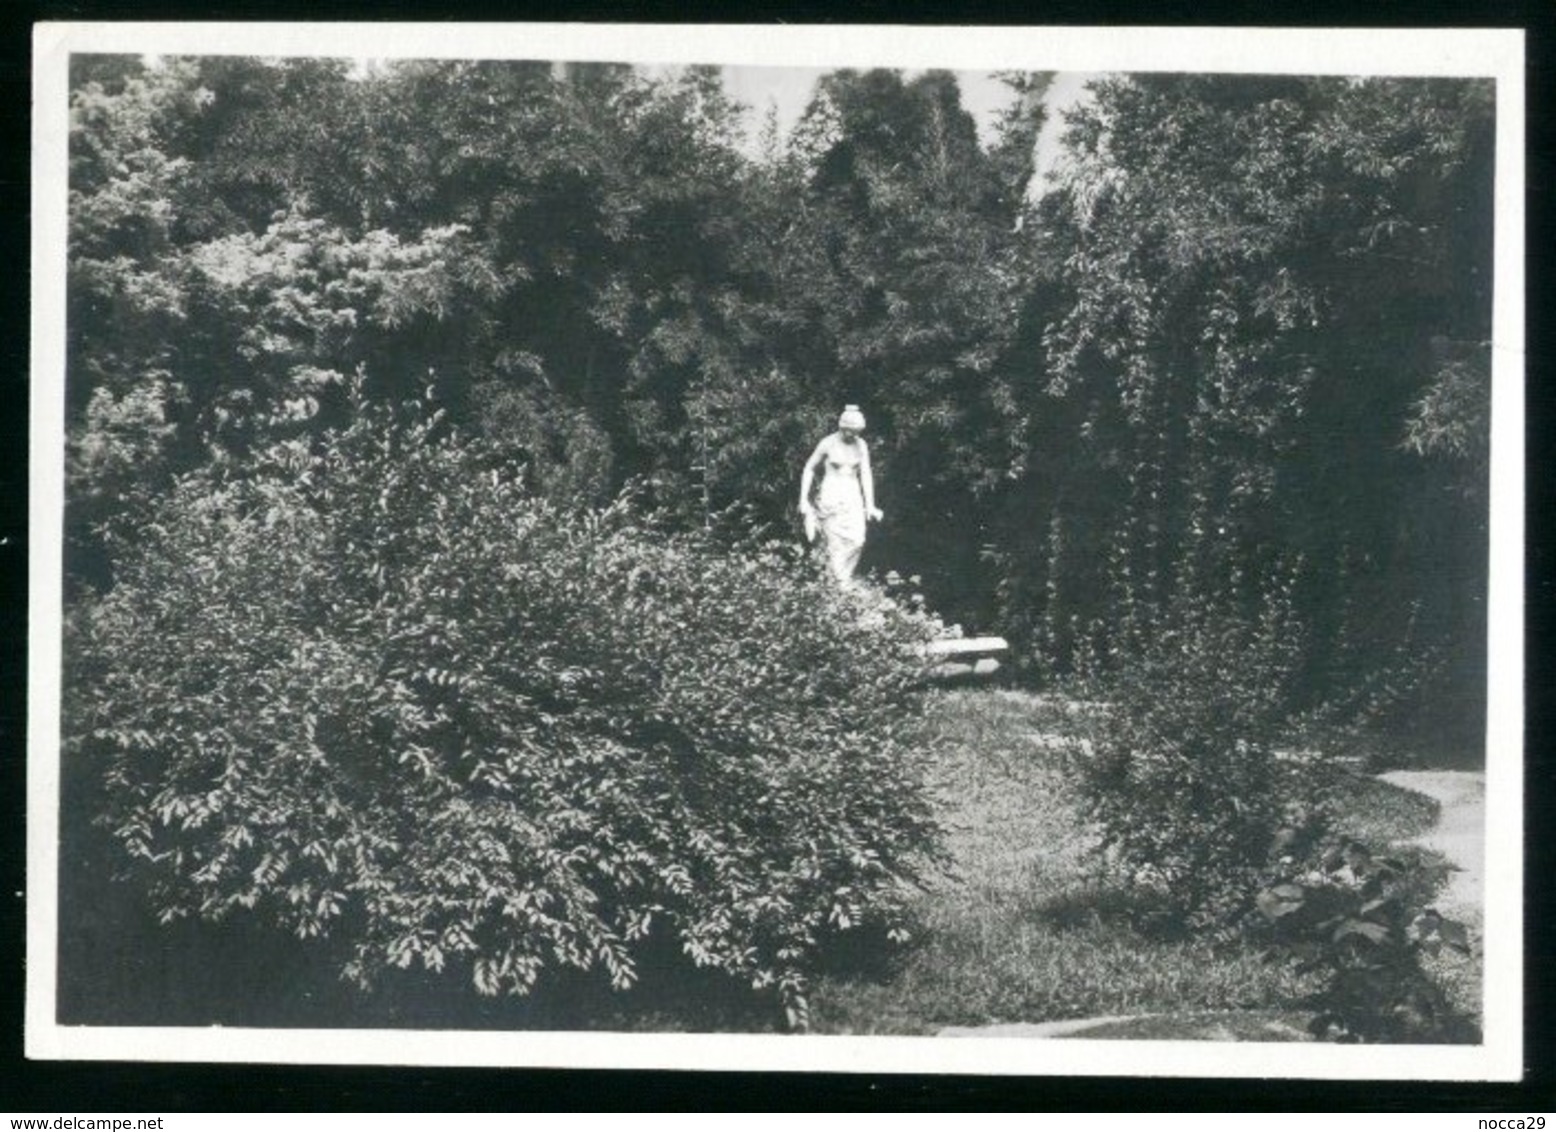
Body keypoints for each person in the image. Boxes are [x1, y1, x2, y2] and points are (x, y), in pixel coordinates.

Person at [798, 405, 884, 586]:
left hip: (853, 496)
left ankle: (842, 579)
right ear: (842, 427)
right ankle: (836, 584)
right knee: (835, 545)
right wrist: (803, 500)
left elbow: (866, 473)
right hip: (831, 497)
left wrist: (870, 505)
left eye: (857, 432)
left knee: (857, 540)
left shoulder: (861, 445)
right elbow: (809, 468)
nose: (854, 436)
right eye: (850, 432)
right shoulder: (828, 443)